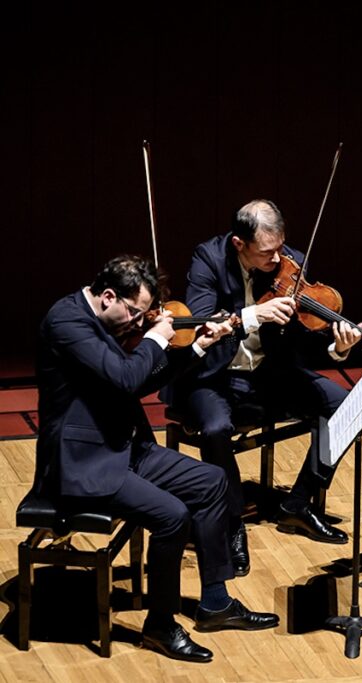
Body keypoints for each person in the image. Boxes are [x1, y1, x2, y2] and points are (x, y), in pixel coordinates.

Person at [33, 255, 279, 663]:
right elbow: (127, 376)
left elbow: (140, 380)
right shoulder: (67, 323)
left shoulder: (112, 320)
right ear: (108, 295)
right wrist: (157, 336)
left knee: (212, 482)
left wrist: (198, 345)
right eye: (134, 312)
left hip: (124, 447)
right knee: (171, 516)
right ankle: (160, 626)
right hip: (83, 463)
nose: (137, 321)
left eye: (143, 315)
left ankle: (215, 602)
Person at [163, 199, 362, 577]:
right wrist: (252, 315)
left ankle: (299, 504)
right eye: (267, 252)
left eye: (281, 246)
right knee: (217, 428)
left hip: (268, 374)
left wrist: (339, 347)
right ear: (240, 244)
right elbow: (199, 320)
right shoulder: (208, 259)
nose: (278, 258)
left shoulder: (290, 262)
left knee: (345, 405)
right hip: (214, 375)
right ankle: (232, 520)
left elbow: (305, 335)